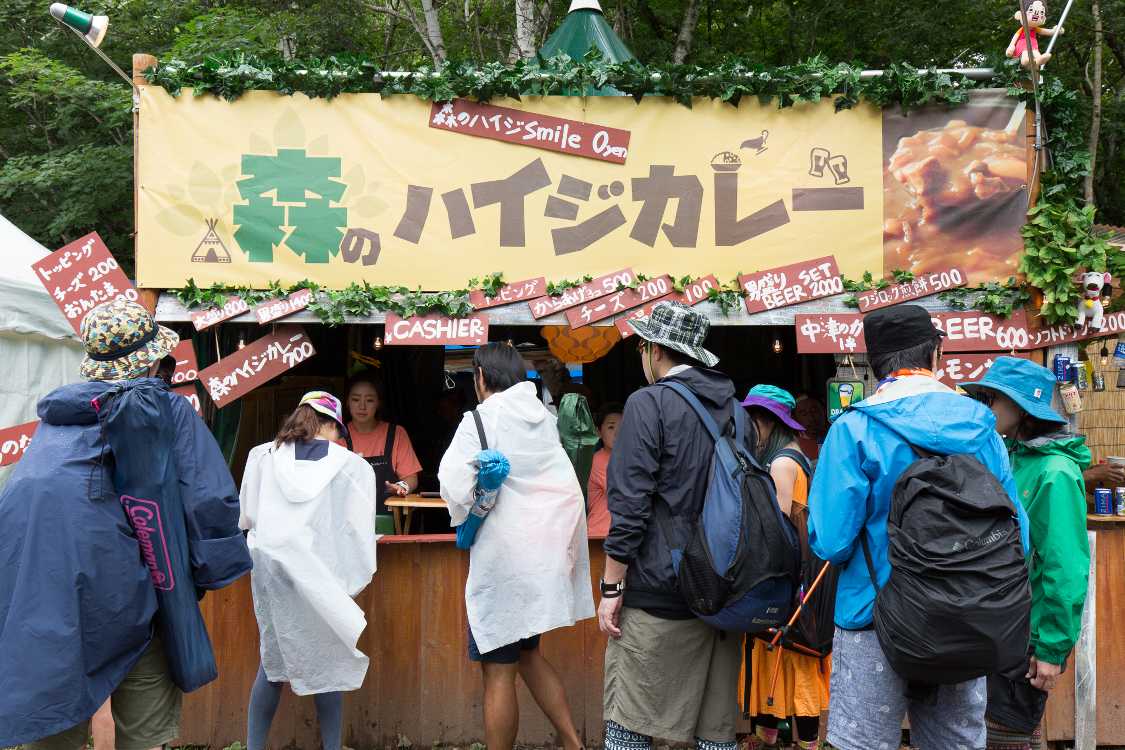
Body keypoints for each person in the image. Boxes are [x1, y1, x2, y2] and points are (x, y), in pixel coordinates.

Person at [0, 297, 252, 750]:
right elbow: (209, 498)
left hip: (49, 601)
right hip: (138, 595)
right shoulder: (165, 411)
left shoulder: (54, 425)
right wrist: (212, 570)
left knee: (55, 725)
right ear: (155, 357)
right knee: (144, 733)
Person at [806, 304, 1029, 750]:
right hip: (966, 616)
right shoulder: (982, 430)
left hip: (873, 614)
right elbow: (1016, 534)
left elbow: (830, 541)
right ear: (937, 354)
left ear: (874, 364)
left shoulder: (854, 429)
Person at [599, 301, 744, 750]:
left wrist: (611, 588)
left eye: (643, 346)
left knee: (630, 723)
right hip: (725, 587)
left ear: (655, 352)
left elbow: (631, 506)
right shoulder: (735, 409)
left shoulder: (649, 403)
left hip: (660, 587)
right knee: (715, 729)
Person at [438, 343, 594, 750]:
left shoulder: (478, 420)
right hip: (541, 562)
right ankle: (573, 743)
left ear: (481, 377)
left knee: (498, 671)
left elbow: (452, 486)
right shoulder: (543, 417)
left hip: (502, 566)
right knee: (528, 656)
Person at [962, 357, 1091, 750]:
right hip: (996, 630)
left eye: (992, 399)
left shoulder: (1056, 473)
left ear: (1019, 408)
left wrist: (1051, 649)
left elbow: (1065, 569)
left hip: (1028, 640)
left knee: (1012, 737)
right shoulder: (1008, 457)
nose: (985, 408)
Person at [239, 391, 378, 750]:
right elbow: (358, 531)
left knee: (271, 664)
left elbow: (248, 518)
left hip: (273, 575)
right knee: (328, 662)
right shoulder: (352, 466)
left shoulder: (261, 457)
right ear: (330, 424)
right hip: (322, 574)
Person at [740, 385, 828, 750]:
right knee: (794, 671)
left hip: (784, 586)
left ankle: (787, 743)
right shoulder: (795, 457)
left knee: (782, 668)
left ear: (768, 422)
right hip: (799, 583)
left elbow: (773, 532)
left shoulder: (780, 464)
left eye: (754, 420)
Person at [345, 371, 423, 513]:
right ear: (347, 402)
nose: (362, 406)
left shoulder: (396, 434)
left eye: (369, 400)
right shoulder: (338, 436)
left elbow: (411, 477)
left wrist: (402, 487)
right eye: (356, 399)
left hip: (387, 520)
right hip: (347, 520)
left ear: (379, 403)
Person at [586, 403, 623, 537]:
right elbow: (623, 492)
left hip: (616, 534)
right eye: (611, 427)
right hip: (601, 534)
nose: (617, 432)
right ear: (598, 432)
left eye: (623, 426)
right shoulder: (598, 461)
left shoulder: (625, 459)